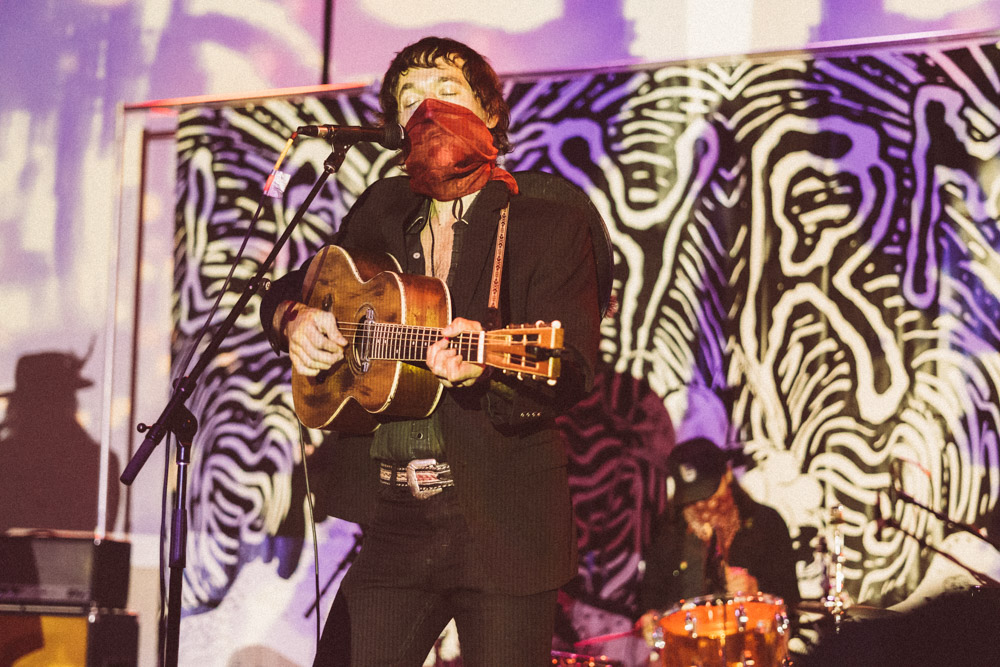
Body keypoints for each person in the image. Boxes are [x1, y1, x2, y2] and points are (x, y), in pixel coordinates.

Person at [259, 37, 605, 666]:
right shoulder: (383, 209)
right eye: (411, 99)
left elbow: (572, 367)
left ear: (490, 111)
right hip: (395, 516)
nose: (429, 109)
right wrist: (295, 319)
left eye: (448, 91)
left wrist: (485, 370)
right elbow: (295, 285)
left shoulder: (549, 220)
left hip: (506, 520)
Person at [636, 437, 800, 641]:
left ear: (727, 474)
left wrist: (757, 592)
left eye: (709, 492)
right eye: (692, 497)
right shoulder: (667, 531)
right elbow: (649, 600)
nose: (703, 504)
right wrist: (650, 619)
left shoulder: (766, 524)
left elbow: (792, 606)